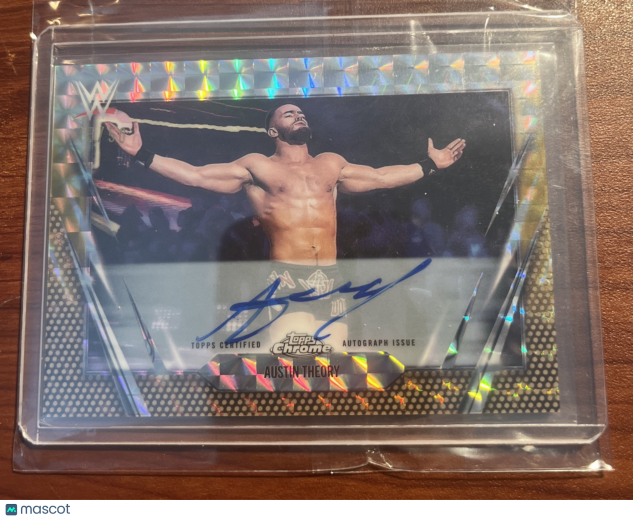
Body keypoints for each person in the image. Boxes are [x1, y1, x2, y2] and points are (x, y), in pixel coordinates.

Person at [106, 104, 465, 346]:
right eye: (288, 114)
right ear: (272, 130)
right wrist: (142, 155)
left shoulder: (330, 163)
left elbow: (382, 177)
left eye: (300, 112)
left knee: (331, 372)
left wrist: (429, 165)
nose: (298, 115)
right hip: (287, 278)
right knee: (290, 371)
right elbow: (196, 176)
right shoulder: (257, 166)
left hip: (331, 278)